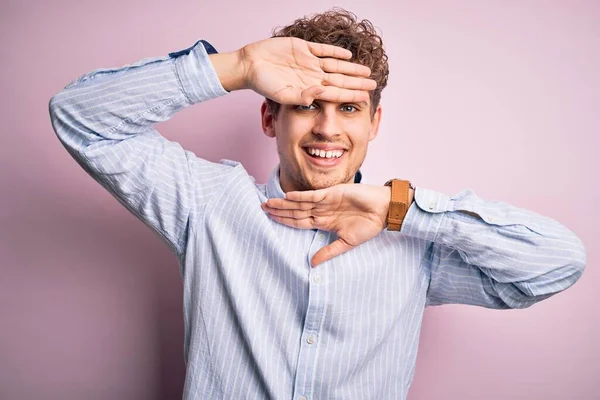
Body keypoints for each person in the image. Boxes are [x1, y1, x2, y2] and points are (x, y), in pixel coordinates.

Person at [48, 8, 586, 400]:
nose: (327, 128)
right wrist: (235, 66)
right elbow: (79, 118)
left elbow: (558, 262)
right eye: (305, 105)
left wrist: (405, 212)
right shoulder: (205, 202)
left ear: (373, 124)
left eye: (349, 107)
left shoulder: (417, 241)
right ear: (268, 118)